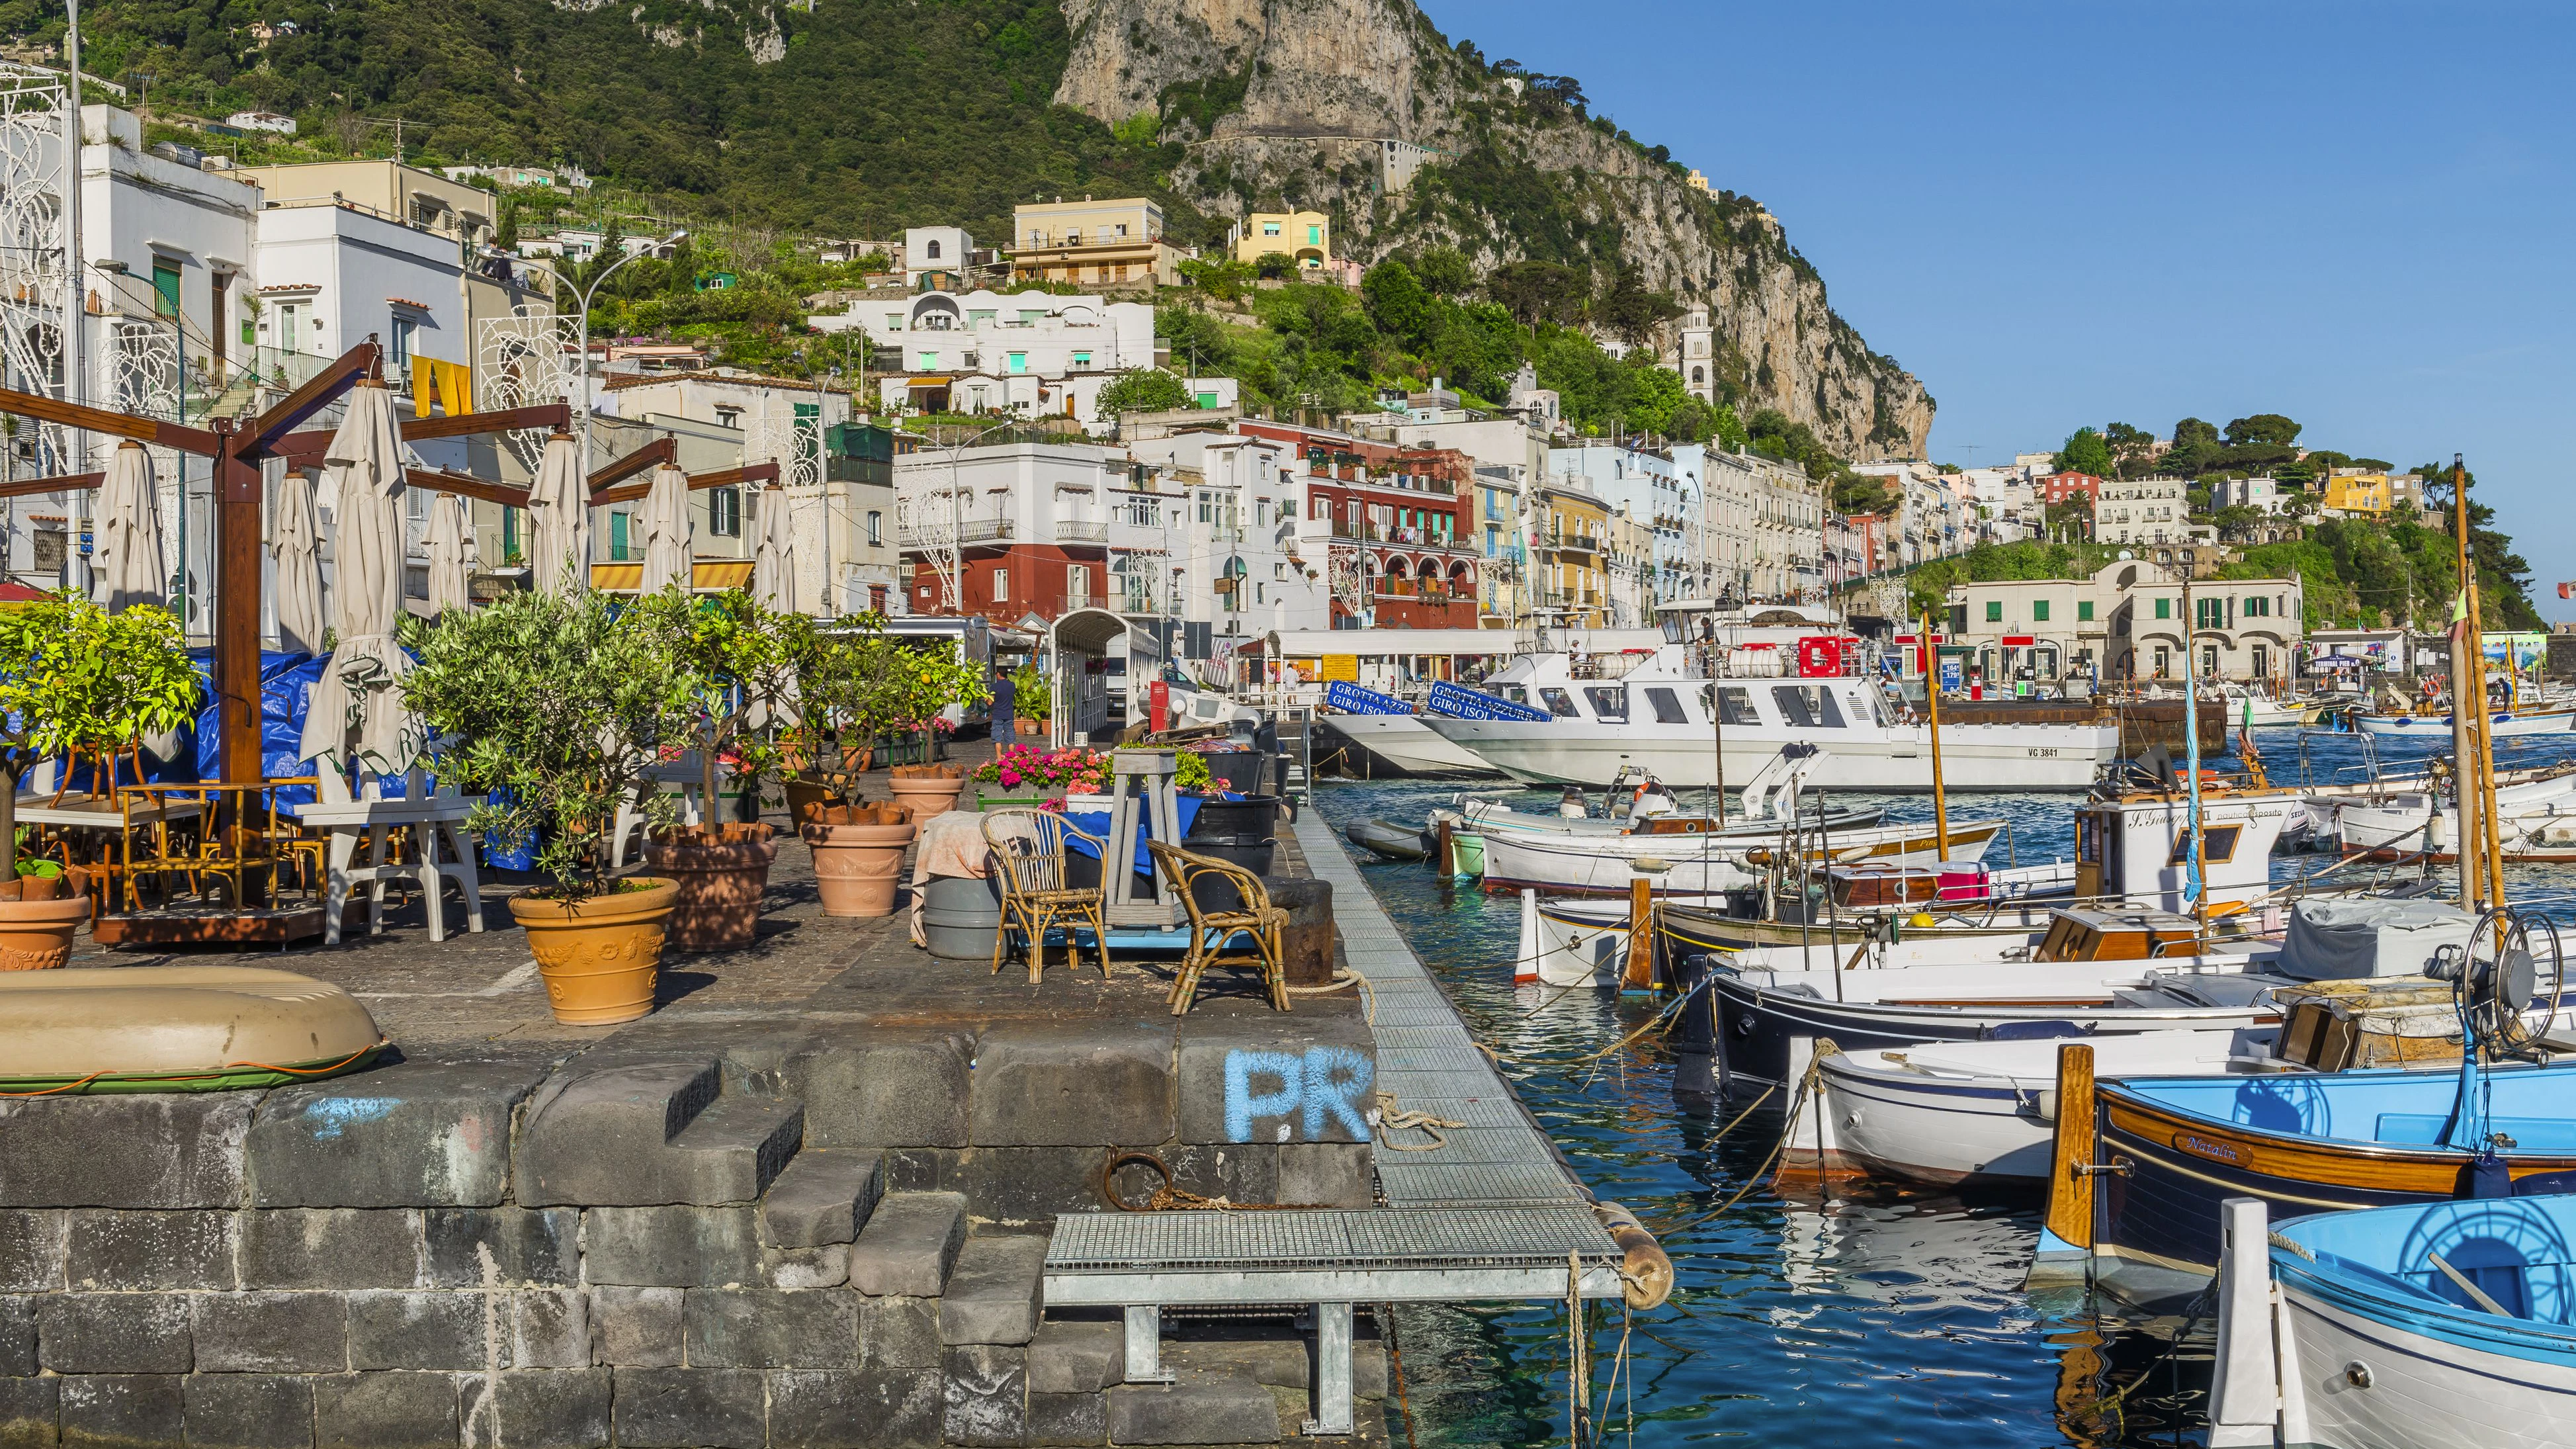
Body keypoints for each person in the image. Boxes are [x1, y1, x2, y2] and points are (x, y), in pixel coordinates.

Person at [988, 664, 1016, 744]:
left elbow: (990, 703)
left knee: (997, 739)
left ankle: (999, 756)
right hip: (1009, 714)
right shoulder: (1012, 685)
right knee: (1011, 739)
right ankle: (1011, 756)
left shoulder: (994, 687)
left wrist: (986, 700)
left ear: (998, 674)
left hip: (998, 714)